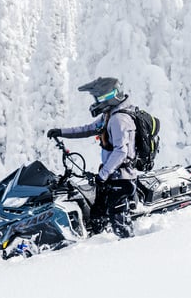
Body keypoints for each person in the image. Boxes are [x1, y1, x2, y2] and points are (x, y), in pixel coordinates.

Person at [47, 77, 138, 239]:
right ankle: (98, 253)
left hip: (120, 179)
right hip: (110, 177)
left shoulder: (118, 119)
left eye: (99, 98)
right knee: (97, 219)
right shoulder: (109, 115)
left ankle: (128, 253)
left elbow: (121, 151)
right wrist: (61, 132)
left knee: (120, 225)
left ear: (110, 96)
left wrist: (103, 175)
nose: (96, 102)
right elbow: (88, 129)